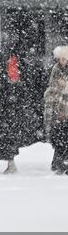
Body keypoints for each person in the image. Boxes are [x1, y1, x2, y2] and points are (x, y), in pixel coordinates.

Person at [0, 53, 22, 174]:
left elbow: (7, 96)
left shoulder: (2, 76)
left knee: (3, 140)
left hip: (2, 114)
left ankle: (5, 165)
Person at [44, 46, 68, 174]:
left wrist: (65, 86)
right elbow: (52, 85)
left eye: (64, 59)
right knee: (59, 136)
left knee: (64, 136)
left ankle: (62, 162)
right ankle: (58, 162)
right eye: (60, 59)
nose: (62, 61)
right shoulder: (56, 68)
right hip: (58, 107)